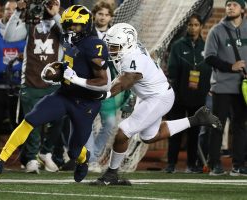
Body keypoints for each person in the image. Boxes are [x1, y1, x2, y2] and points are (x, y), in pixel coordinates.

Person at [0, 5, 110, 183]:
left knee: (74, 151)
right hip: (65, 95)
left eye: (75, 25)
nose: (70, 29)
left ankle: (83, 158)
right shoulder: (69, 40)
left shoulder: (95, 44)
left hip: (86, 103)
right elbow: (69, 66)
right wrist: (57, 73)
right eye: (68, 25)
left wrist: (76, 79)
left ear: (86, 25)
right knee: (30, 119)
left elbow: (104, 82)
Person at [90, 23, 221, 186]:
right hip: (149, 94)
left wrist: (103, 94)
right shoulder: (129, 49)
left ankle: (111, 174)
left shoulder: (133, 58)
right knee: (149, 137)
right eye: (110, 46)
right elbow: (123, 77)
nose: (111, 50)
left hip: (158, 97)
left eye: (115, 46)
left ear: (127, 44)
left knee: (123, 132)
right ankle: (197, 119)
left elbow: (125, 82)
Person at [2, 0, 65, 173]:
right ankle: (31, 158)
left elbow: (70, 39)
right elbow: (8, 37)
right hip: (30, 80)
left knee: (59, 118)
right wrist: (18, 12)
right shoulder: (29, 21)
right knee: (32, 123)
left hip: (54, 81)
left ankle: (46, 152)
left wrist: (56, 14)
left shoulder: (61, 21)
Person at [164, 14, 212, 173]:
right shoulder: (178, 46)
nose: (193, 27)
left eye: (196, 24)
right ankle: (171, 164)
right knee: (175, 131)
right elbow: (172, 71)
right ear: (187, 26)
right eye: (190, 24)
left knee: (194, 132)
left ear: (201, 27)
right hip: (178, 96)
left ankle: (191, 165)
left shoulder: (206, 47)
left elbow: (209, 71)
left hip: (198, 97)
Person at [204, 0, 247, 176]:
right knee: (217, 125)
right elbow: (209, 57)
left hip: (242, 87)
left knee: (241, 126)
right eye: (228, 4)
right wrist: (231, 67)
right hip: (222, 86)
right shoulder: (216, 30)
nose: (230, 7)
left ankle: (239, 164)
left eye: (234, 4)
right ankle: (215, 164)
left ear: (243, 9)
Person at [0, 0, 26, 160]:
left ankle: (25, 159)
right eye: (7, 9)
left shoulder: (25, 31)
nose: (10, 12)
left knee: (19, 125)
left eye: (14, 9)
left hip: (17, 87)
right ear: (3, 10)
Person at [85, 0, 118, 173]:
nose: (103, 17)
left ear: (111, 17)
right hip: (88, 85)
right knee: (87, 123)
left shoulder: (115, 35)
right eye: (100, 14)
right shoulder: (87, 33)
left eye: (106, 14)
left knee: (110, 123)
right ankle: (90, 160)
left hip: (108, 87)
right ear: (94, 15)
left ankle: (93, 157)